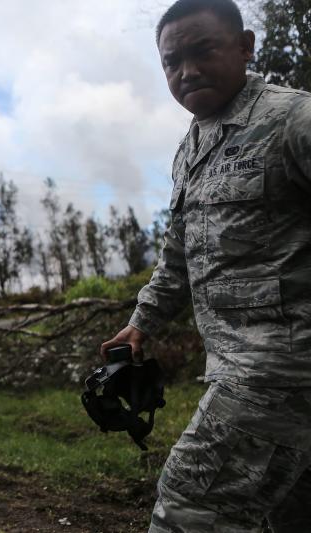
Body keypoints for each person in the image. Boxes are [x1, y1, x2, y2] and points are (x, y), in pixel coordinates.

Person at [101, 0, 311, 531]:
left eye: (203, 51)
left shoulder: (293, 119)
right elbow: (179, 254)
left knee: (192, 507)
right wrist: (142, 322)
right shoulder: (193, 147)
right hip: (241, 369)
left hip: (275, 376)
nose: (186, 71)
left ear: (244, 48)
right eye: (172, 62)